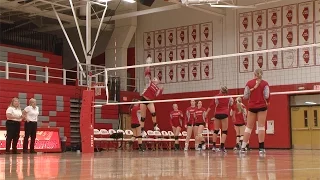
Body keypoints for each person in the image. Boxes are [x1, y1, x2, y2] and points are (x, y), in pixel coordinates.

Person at [241, 68, 270, 155]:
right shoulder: (265, 84)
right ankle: (261, 148)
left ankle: (243, 147)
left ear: (254, 74)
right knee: (261, 127)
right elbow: (267, 95)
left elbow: (245, 97)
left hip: (252, 106)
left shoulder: (249, 83)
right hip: (262, 106)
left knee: (248, 127)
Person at [140, 59, 164, 137]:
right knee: (143, 117)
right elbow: (147, 74)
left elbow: (157, 96)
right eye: (153, 79)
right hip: (143, 100)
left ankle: (155, 126)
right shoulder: (149, 83)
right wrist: (148, 65)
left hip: (150, 101)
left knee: (153, 113)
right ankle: (142, 130)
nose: (154, 79)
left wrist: (161, 90)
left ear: (157, 82)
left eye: (155, 79)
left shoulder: (157, 88)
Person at [206, 86, 233, 153]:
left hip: (217, 114)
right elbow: (232, 106)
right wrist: (234, 114)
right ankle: (222, 147)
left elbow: (211, 105)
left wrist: (206, 113)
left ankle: (214, 146)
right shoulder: (229, 98)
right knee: (224, 131)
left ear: (220, 90)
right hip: (224, 114)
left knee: (216, 130)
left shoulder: (217, 97)